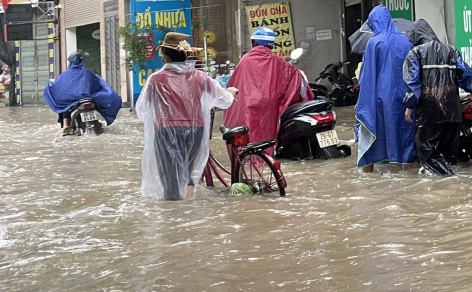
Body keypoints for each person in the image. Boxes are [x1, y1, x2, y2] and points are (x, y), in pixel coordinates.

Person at [135, 33, 236, 201]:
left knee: (171, 178)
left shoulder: (156, 79)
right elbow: (224, 100)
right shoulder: (200, 77)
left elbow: (142, 109)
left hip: (167, 132)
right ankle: (187, 208)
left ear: (166, 56)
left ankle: (175, 219)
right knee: (188, 171)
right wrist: (231, 92)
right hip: (195, 131)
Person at [403, 19, 472, 175]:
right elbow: (465, 72)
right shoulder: (451, 50)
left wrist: (410, 106)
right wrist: (471, 89)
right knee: (449, 156)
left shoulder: (416, 53)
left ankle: (448, 181)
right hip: (453, 111)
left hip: (430, 112)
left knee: (427, 151)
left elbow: (413, 83)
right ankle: (453, 189)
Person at [222, 27, 311, 146]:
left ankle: (250, 158)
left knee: (249, 135)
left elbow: (234, 82)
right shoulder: (276, 60)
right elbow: (295, 76)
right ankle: (267, 155)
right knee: (267, 133)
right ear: (271, 44)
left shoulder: (246, 59)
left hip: (248, 103)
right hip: (269, 103)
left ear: (254, 42)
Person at [355, 5, 417, 172]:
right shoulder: (406, 41)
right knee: (404, 134)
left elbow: (367, 76)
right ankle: (407, 170)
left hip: (380, 97)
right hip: (404, 96)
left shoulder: (374, 42)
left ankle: (368, 174)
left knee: (373, 132)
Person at [43, 51, 122, 132]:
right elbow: (97, 84)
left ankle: (65, 125)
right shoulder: (88, 72)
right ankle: (97, 122)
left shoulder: (65, 75)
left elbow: (60, 88)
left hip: (74, 101)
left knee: (65, 105)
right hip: (89, 98)